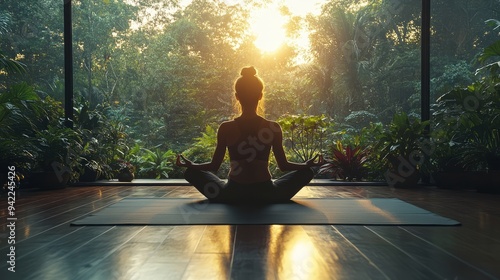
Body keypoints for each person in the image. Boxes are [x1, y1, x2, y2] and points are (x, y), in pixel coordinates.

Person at [176, 66, 324, 203]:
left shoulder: (226, 128)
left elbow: (214, 165)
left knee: (191, 173)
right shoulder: (272, 127)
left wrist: (192, 165)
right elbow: (283, 166)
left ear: (237, 96)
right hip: (266, 193)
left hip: (232, 193)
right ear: (260, 95)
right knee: (306, 173)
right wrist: (306, 164)